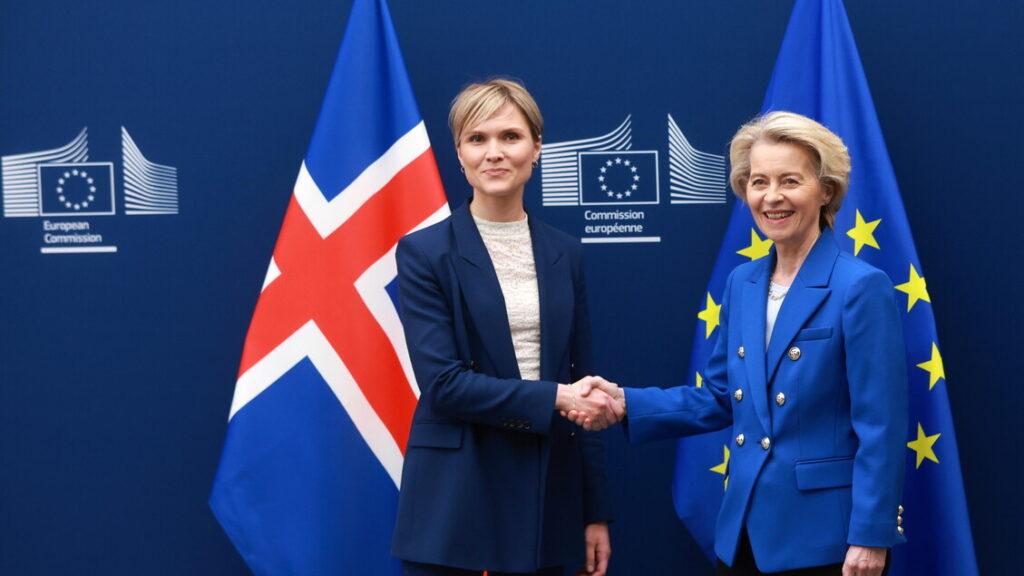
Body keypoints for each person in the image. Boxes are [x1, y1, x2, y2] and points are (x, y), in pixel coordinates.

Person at [569, 111, 908, 576]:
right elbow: (719, 397)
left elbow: (881, 426)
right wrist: (625, 403)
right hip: (743, 534)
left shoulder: (860, 287)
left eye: (790, 181)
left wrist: (870, 535)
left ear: (826, 190)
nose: (772, 197)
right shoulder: (742, 284)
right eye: (758, 181)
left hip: (827, 542)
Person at [391, 78, 622, 576]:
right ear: (459, 154)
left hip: (551, 499)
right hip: (458, 501)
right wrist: (557, 397)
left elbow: (583, 378)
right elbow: (444, 385)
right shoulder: (423, 253)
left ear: (536, 148)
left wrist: (594, 511)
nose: (494, 152)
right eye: (477, 139)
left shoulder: (566, 253)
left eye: (510, 137)